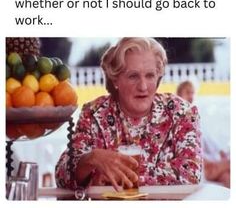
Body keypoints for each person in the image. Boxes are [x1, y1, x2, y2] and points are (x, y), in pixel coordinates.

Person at [55, 37, 202, 191]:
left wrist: (117, 177)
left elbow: (190, 174)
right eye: (133, 76)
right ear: (115, 79)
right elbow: (62, 176)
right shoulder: (94, 113)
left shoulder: (183, 113)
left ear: (158, 76)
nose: (143, 86)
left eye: (150, 75)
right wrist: (90, 158)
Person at [176, 80, 230, 188]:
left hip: (208, 161)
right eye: (187, 92)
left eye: (192, 93)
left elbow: (207, 139)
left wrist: (220, 151)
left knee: (227, 176)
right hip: (198, 164)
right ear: (179, 95)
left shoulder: (195, 116)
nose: (191, 96)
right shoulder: (177, 117)